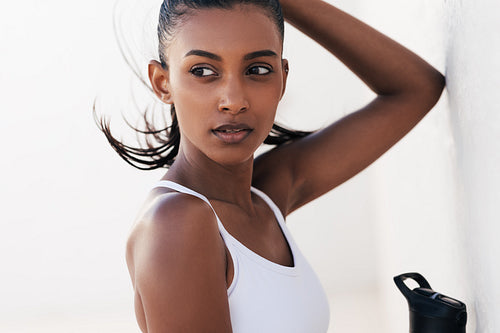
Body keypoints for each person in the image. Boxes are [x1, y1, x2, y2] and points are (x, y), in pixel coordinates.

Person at [96, 0, 445, 331]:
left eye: (258, 69)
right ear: (163, 83)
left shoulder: (265, 195)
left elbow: (416, 89)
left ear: (283, 77)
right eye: (203, 71)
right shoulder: (176, 223)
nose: (234, 101)